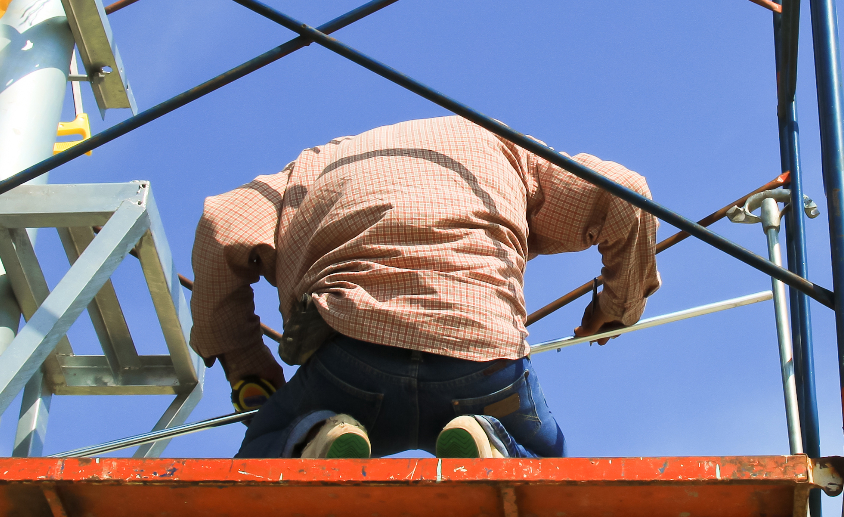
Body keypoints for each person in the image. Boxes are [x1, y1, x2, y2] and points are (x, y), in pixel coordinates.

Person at [188, 115, 660, 460]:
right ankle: (490, 442)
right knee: (545, 463)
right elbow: (624, 191)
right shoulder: (499, 147)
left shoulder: (308, 170)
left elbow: (221, 224)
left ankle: (314, 438)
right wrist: (617, 306)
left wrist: (248, 367)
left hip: (349, 363)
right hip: (482, 366)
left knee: (265, 451)